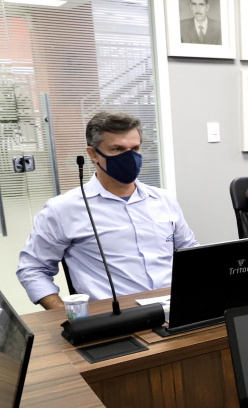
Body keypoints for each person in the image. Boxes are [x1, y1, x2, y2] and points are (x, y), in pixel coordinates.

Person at [18, 112, 198, 308]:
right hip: (115, 317)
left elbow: (192, 253)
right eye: (117, 149)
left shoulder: (163, 199)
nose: (130, 157)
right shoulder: (63, 209)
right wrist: (64, 314)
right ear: (93, 154)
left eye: (135, 148)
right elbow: (33, 268)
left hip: (178, 307)